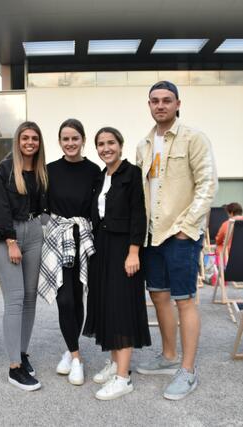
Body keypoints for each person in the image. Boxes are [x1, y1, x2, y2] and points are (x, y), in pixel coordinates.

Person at [136, 81, 218, 400]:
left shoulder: (193, 138)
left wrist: (186, 226)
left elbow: (207, 185)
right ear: (149, 105)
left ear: (177, 104)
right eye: (155, 101)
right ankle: (168, 357)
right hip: (151, 234)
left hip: (180, 233)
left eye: (167, 100)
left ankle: (187, 370)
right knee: (158, 296)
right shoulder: (143, 145)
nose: (160, 105)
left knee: (184, 299)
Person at [83, 127, 151, 401]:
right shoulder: (101, 176)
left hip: (124, 249)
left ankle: (123, 378)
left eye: (111, 143)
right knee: (108, 306)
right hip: (102, 248)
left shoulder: (131, 173)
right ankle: (115, 363)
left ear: (120, 146)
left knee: (122, 307)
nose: (106, 148)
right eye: (101, 144)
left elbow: (139, 213)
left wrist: (134, 251)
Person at [38, 118, 100, 386]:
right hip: (58, 238)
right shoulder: (49, 170)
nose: (71, 143)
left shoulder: (94, 170)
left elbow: (97, 209)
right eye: (66, 138)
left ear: (82, 140)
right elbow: (41, 205)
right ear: (60, 142)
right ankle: (77, 358)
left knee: (77, 297)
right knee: (64, 299)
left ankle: (69, 349)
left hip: (84, 237)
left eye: (75, 138)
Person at [0, 121, 49, 391]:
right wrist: (11, 241)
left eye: (34, 138)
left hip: (34, 233)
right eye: (25, 138)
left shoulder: (40, 171)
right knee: (14, 300)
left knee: (29, 298)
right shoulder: (4, 169)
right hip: (8, 237)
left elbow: (45, 204)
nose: (30, 142)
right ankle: (14, 367)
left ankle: (22, 354)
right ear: (18, 140)